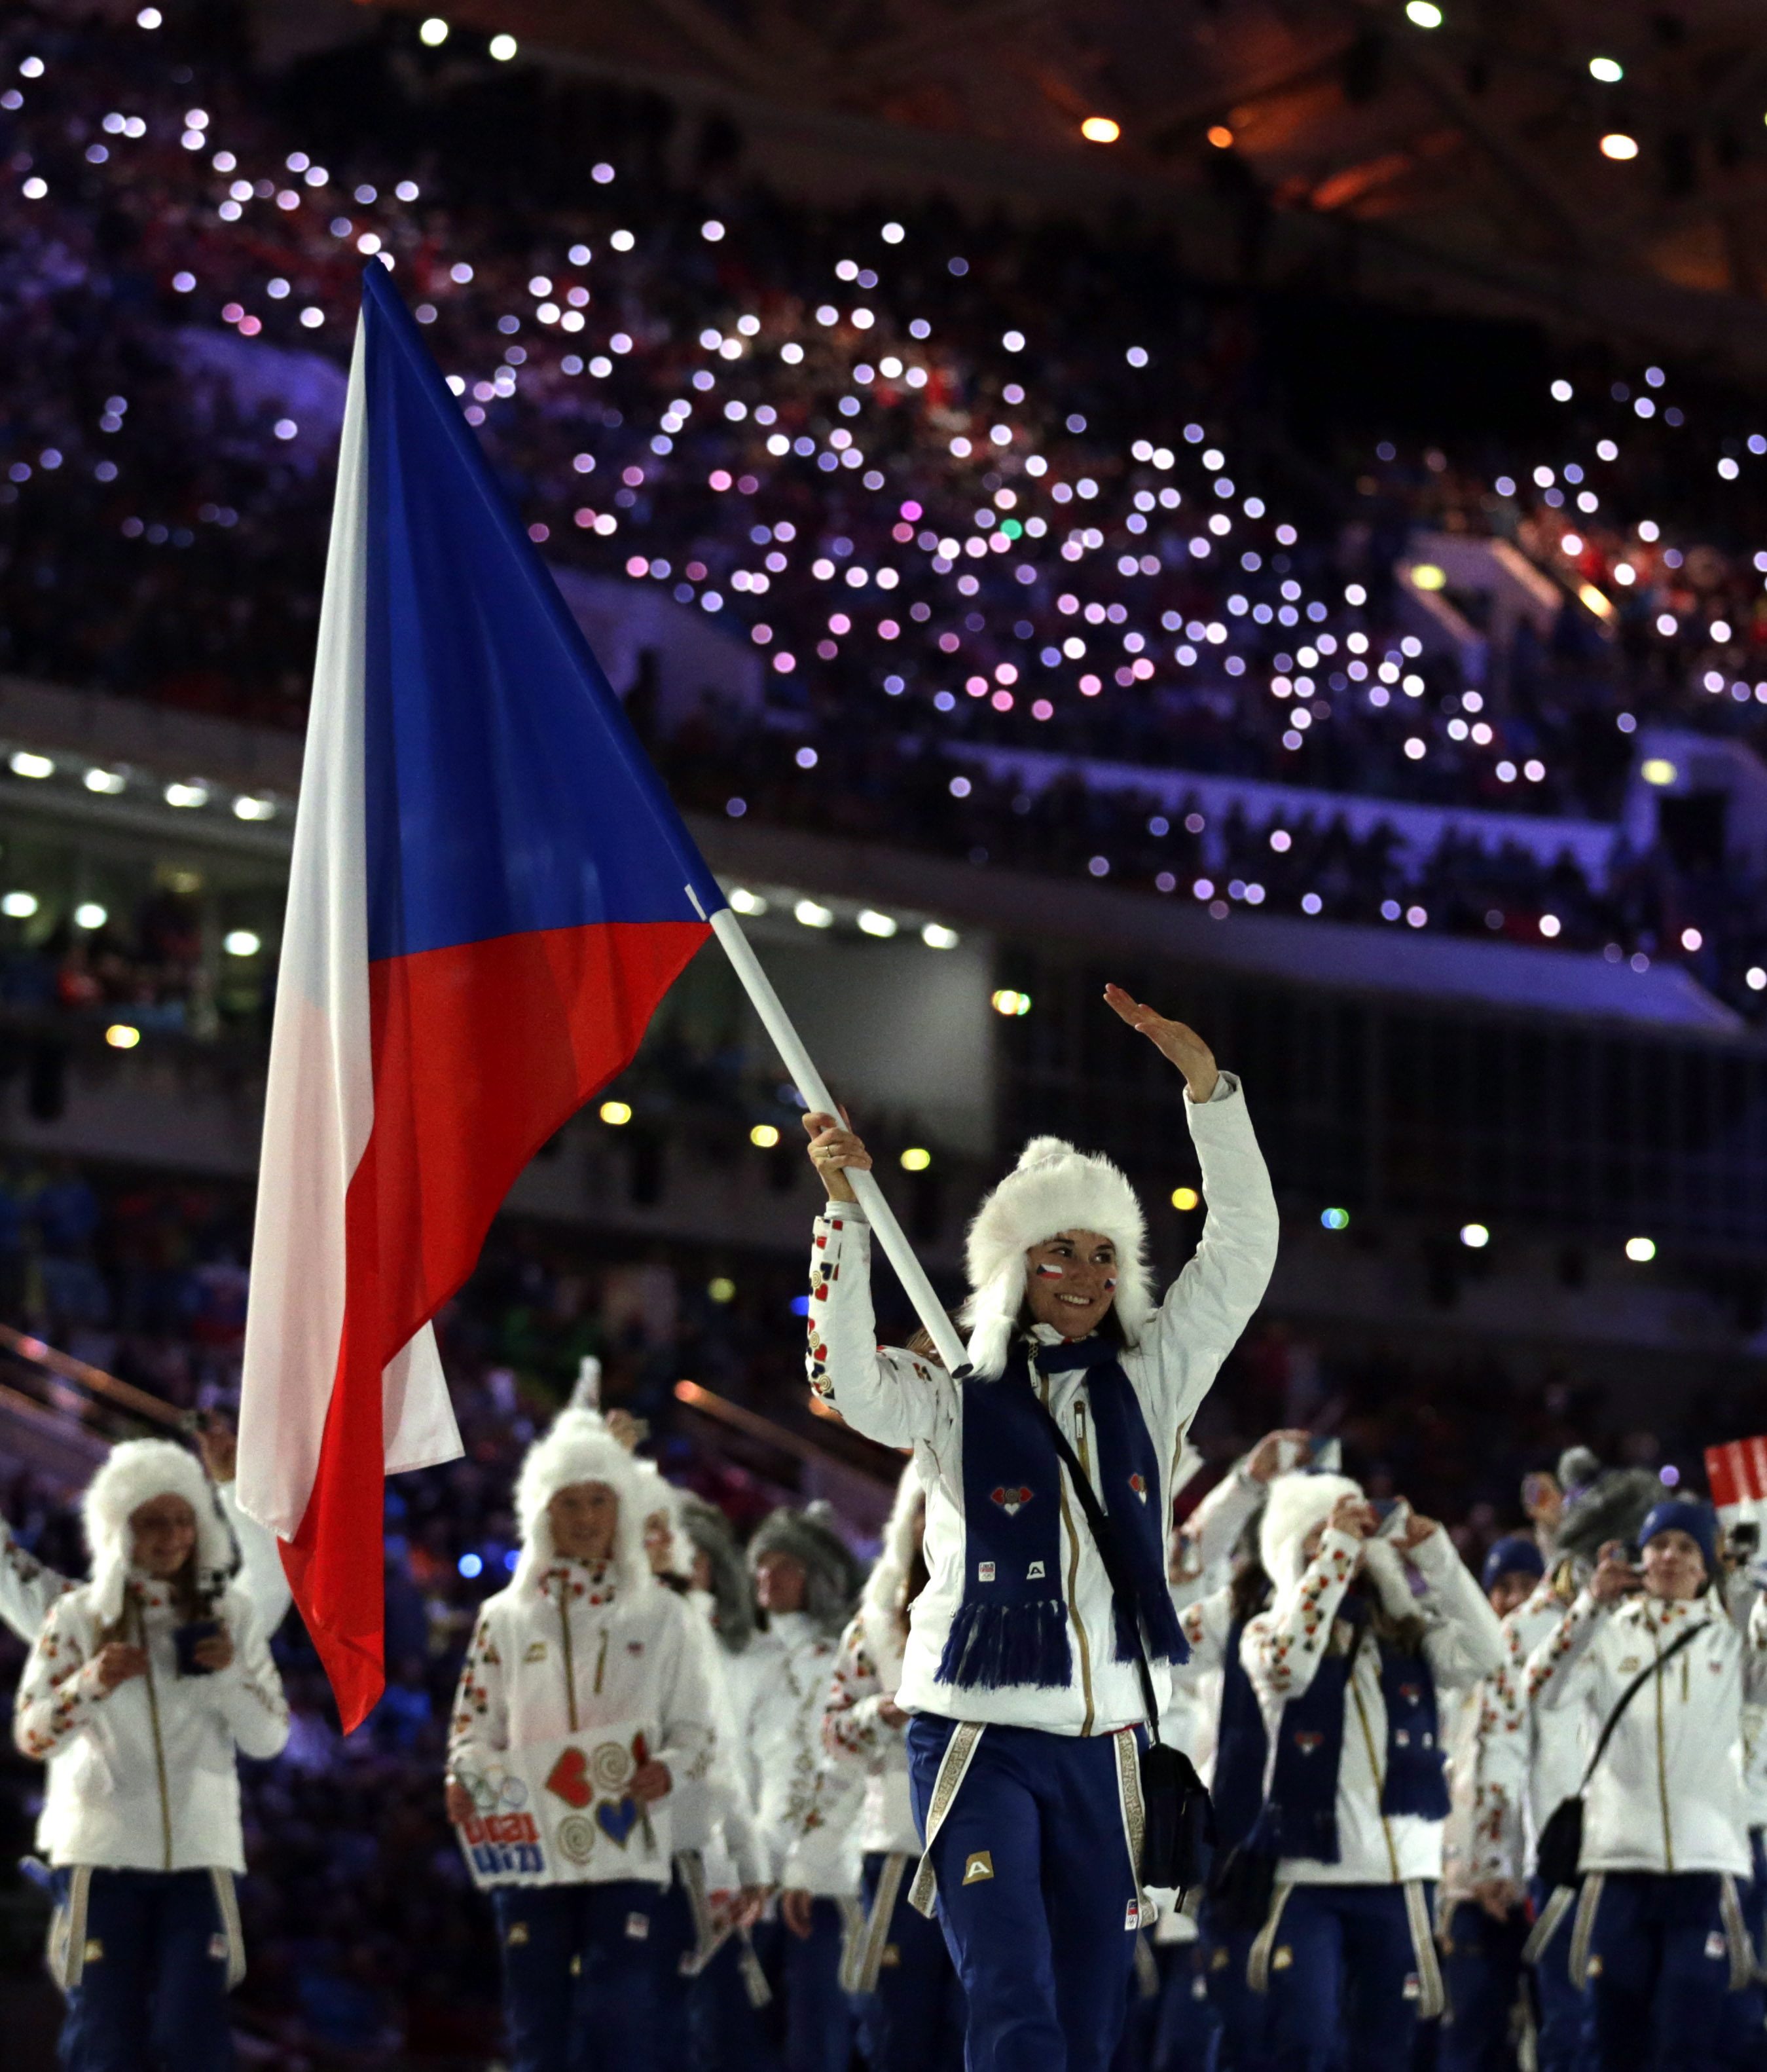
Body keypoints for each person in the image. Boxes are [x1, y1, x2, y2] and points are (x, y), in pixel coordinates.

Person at [802, 986, 1279, 2072]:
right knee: (1013, 2005)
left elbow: (1242, 1250)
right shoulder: (951, 1391)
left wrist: (1210, 1097)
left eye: (1104, 1254)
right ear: (1014, 1264)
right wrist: (842, 1214)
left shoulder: (1154, 1377)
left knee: (1090, 2019)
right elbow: (841, 1381)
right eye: (1058, 1251)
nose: (1086, 1275)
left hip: (1109, 1747)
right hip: (975, 1736)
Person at [445, 1412, 716, 2072]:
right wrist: (465, 1776)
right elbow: (471, 1728)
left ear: (623, 1509)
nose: (586, 1517)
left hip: (626, 1846)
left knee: (618, 2022)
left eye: (600, 1500)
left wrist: (669, 1769)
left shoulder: (663, 1614)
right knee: (537, 2027)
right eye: (569, 1502)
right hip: (531, 1850)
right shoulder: (504, 1618)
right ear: (542, 1513)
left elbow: (696, 1730)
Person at [12, 1436, 290, 2071]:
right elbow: (33, 1733)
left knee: (191, 2036)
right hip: (101, 1860)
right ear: (118, 1529)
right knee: (106, 2040)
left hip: (200, 1859)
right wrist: (88, 1685)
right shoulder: (76, 1616)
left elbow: (269, 1737)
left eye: (183, 1518)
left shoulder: (231, 1614)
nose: (172, 1536)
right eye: (152, 1521)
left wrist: (229, 1677)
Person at [1239, 1471, 1504, 2072]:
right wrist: (1333, 1552)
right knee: (1303, 2042)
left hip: (1401, 1880)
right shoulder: (1266, 1632)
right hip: (1307, 1878)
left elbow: (1488, 1653)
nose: (1344, 1546)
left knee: (1384, 2052)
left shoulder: (1410, 1639)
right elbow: (1290, 1668)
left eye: (1352, 1534)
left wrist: (1436, 1557)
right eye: (1320, 1535)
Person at [1523, 1499, 1765, 2072]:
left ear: (1706, 1565)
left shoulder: (1730, 1640)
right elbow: (1540, 1688)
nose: (1670, 1558)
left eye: (1686, 1548)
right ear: (1640, 1557)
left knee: (1687, 2035)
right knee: (1615, 2038)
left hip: (1705, 1865)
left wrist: (1757, 1569)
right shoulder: (1608, 1634)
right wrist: (1589, 1605)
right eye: (1659, 1545)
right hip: (1617, 1865)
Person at [807, 1464, 966, 2072]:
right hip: (900, 1853)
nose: (940, 1519)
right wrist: (884, 1711)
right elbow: (833, 1734)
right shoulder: (871, 1627)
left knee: (980, 2026)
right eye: (928, 1505)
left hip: (991, 1850)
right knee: (896, 2030)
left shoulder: (1007, 1614)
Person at [744, 1502, 866, 2072]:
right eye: (762, 1564)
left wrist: (809, 1857)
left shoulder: (839, 1659)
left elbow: (834, 1766)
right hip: (754, 1869)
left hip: (822, 1874)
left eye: (787, 1565)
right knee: (738, 2031)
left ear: (819, 1578)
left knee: (816, 2029)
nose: (768, 1576)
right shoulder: (747, 1658)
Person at [1436, 1533, 1545, 2072]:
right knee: (1471, 2041)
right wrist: (1466, 1872)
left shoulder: (1561, 1668)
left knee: (1555, 2036)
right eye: (1502, 1587)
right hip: (1470, 1889)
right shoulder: (1459, 1677)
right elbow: (1450, 1786)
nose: (1515, 1598)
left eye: (1528, 1585)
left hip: (1542, 1879)